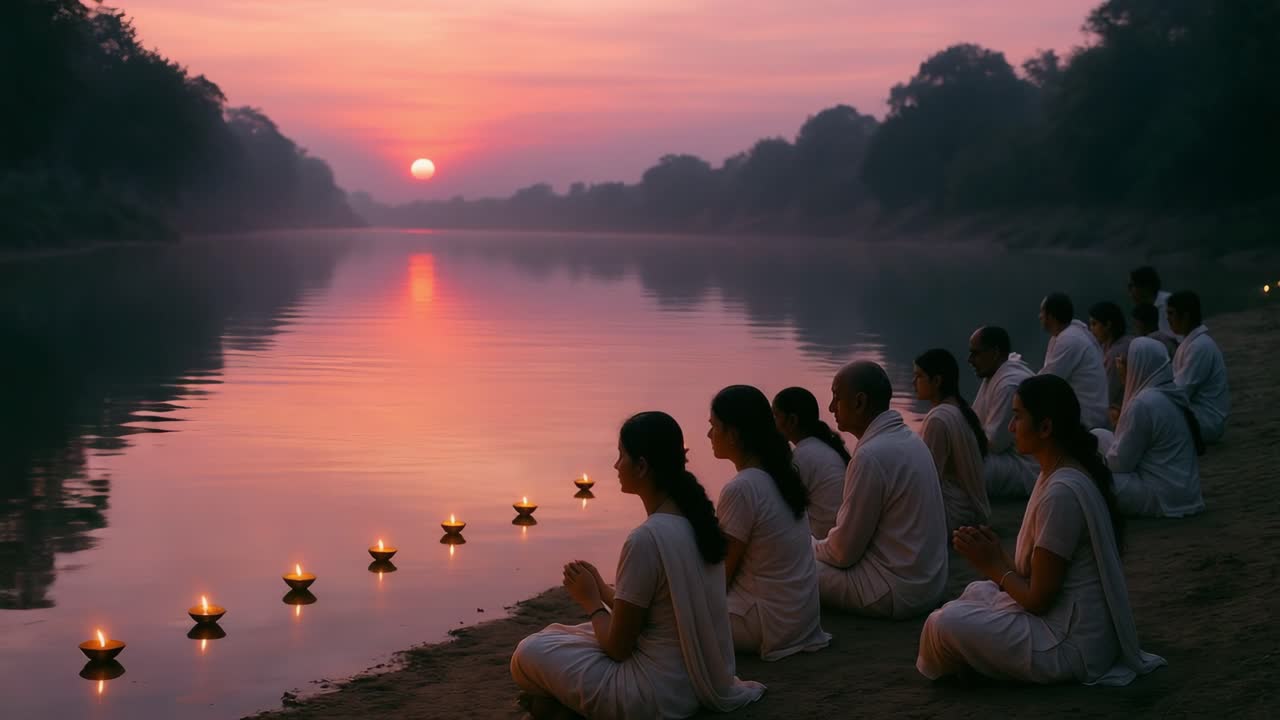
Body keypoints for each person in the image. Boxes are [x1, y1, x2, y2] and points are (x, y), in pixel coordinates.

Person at [511, 412, 765, 719]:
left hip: (652, 696)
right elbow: (656, 616)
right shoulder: (699, 524)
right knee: (566, 636)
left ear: (642, 466)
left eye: (621, 456)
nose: (616, 466)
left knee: (528, 653)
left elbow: (618, 648)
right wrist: (605, 591)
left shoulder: (646, 539)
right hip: (693, 683)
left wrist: (590, 601)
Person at [917, 375, 1166, 685]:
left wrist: (992, 564)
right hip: (1069, 624)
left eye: (1018, 416)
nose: (1010, 427)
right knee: (975, 592)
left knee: (942, 623)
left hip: (1071, 645)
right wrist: (996, 557)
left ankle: (973, 661)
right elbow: (1037, 577)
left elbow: (1038, 600)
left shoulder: (1061, 492)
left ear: (1045, 428)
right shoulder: (1059, 471)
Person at [814, 361, 948, 618]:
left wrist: (809, 547)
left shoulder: (871, 456)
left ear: (859, 402)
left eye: (836, 398)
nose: (831, 408)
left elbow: (843, 554)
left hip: (897, 591)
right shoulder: (909, 440)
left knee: (793, 566)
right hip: (929, 585)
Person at [710, 385, 830, 660]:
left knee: (669, 614)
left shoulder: (742, 487)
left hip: (766, 624)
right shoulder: (779, 474)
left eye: (713, 426)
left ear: (734, 433)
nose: (709, 435)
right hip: (799, 619)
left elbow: (722, 574)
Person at [1092, 338, 1205, 517]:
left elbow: (1121, 464)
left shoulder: (1143, 404)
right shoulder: (1167, 393)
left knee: (1091, 481)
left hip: (1162, 495)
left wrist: (1098, 463)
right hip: (1183, 491)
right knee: (1097, 436)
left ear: (1138, 365)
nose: (1118, 366)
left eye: (1121, 362)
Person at [913, 349, 991, 532]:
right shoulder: (958, 409)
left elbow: (928, 479)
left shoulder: (938, 419)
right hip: (969, 510)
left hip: (956, 515)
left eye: (919, 376)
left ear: (937, 381)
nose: (913, 382)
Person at [968, 326, 1039, 498]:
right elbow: (974, 421)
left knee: (963, 467)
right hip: (1004, 458)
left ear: (994, 353)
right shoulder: (994, 374)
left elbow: (994, 444)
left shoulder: (1009, 385)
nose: (970, 360)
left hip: (1025, 468)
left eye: (975, 353)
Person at [771, 387, 849, 539]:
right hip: (836, 536)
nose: (772, 423)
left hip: (825, 542)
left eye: (776, 416)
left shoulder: (803, 457)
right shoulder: (821, 447)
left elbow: (779, 510)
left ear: (792, 420)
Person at [1039, 293, 1110, 429]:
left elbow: (1047, 382)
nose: (1039, 316)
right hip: (1090, 416)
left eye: (1042, 311)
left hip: (1086, 421)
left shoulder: (1069, 339)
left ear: (1051, 316)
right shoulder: (1069, 334)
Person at [1168, 291, 1230, 444]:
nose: (1168, 319)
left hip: (1206, 421)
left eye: (1171, 313)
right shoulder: (1190, 343)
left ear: (1186, 316)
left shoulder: (1200, 346)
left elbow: (1182, 390)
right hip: (1197, 416)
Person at [1087, 301, 1134, 425]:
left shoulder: (1117, 351)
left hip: (1123, 412)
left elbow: (1108, 392)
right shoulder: (1106, 347)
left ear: (1108, 325)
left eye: (1094, 324)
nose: (1091, 329)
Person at [1127, 266, 1177, 339]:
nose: (1129, 292)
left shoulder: (1167, 303)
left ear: (1146, 286)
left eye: (1131, 286)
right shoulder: (1146, 309)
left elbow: (1171, 339)